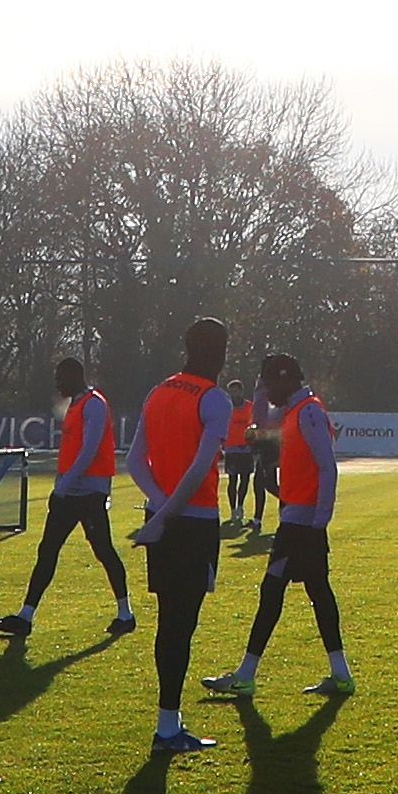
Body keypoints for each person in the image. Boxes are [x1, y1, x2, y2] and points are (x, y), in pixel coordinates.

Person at [206, 351, 354, 699]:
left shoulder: (309, 412)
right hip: (298, 518)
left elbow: (327, 468)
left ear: (286, 379)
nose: (266, 389)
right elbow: (269, 437)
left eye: (270, 382)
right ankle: (341, 674)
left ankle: (246, 674)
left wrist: (320, 521)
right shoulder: (296, 412)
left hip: (302, 523)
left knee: (273, 592)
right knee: (317, 592)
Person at [133, 320, 239, 756]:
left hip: (162, 514)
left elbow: (136, 460)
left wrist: (159, 507)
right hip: (193, 522)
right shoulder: (215, 400)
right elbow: (200, 468)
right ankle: (166, 728)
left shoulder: (159, 391)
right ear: (221, 353)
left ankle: (169, 722)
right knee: (182, 624)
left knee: (168, 623)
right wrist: (170, 514)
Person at [0, 354, 134, 639]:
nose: (57, 384)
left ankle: (125, 613)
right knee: (47, 550)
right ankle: (26, 616)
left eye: (61, 378)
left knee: (103, 550)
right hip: (70, 491)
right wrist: (62, 484)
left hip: (89, 492)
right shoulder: (76, 405)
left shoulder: (93, 404)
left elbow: (90, 449)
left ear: (74, 376)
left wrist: (65, 483)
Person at [222, 377, 267, 538]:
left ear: (241, 391)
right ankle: (233, 509)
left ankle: (240, 506)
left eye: (236, 390)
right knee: (232, 480)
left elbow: (255, 425)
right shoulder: (226, 407)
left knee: (245, 479)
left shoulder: (250, 407)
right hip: (231, 448)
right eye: (231, 391)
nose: (234, 394)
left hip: (246, 448)